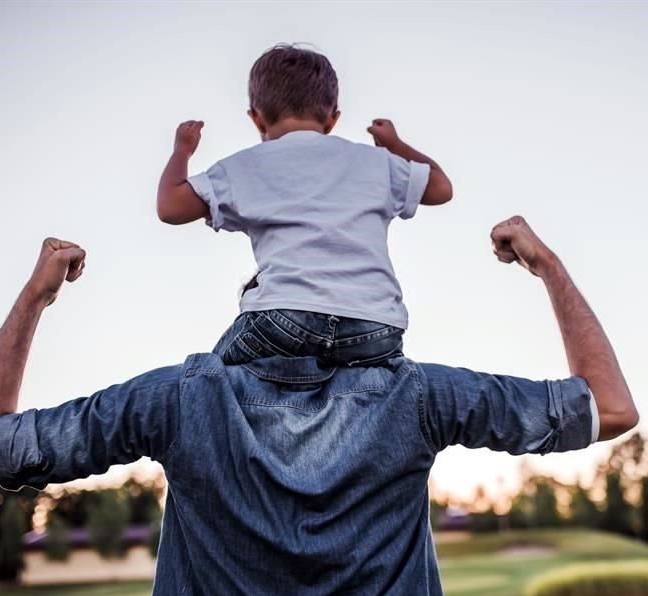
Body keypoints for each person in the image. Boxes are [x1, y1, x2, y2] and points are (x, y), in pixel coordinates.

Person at [0, 216, 638, 596]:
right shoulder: (420, 397)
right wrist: (546, 265)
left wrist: (37, 295)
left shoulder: (178, 400)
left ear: (250, 305)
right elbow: (610, 408)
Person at [155, 44, 453, 368]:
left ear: (256, 118)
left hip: (285, 320)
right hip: (376, 327)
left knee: (209, 379)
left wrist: (182, 150)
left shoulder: (245, 166)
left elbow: (170, 207)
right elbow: (441, 188)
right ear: (333, 118)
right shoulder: (375, 162)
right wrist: (394, 145)